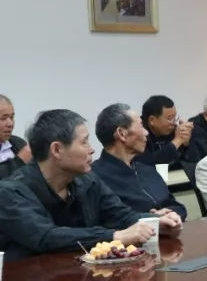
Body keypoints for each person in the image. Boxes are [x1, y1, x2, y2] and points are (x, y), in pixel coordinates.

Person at [0, 109, 179, 261]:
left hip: (82, 279)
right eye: (84, 142)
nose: (91, 149)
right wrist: (115, 236)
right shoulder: (10, 192)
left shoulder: (88, 180)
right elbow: (47, 237)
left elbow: (121, 215)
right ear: (57, 150)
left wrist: (154, 222)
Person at [92, 103, 187, 220]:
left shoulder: (146, 169)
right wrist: (155, 218)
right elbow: (114, 219)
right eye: (141, 126)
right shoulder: (95, 178)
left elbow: (177, 206)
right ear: (122, 134)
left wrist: (171, 215)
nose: (146, 133)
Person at [135, 94, 193, 167]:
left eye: (175, 117)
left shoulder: (174, 130)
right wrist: (177, 141)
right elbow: (146, 163)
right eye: (169, 118)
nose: (174, 122)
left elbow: (192, 162)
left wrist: (186, 144)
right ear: (152, 120)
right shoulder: (137, 134)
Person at [0, 94, 31, 180]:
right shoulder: (22, 155)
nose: (10, 124)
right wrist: (18, 162)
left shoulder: (19, 143)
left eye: (11, 117)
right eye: (3, 118)